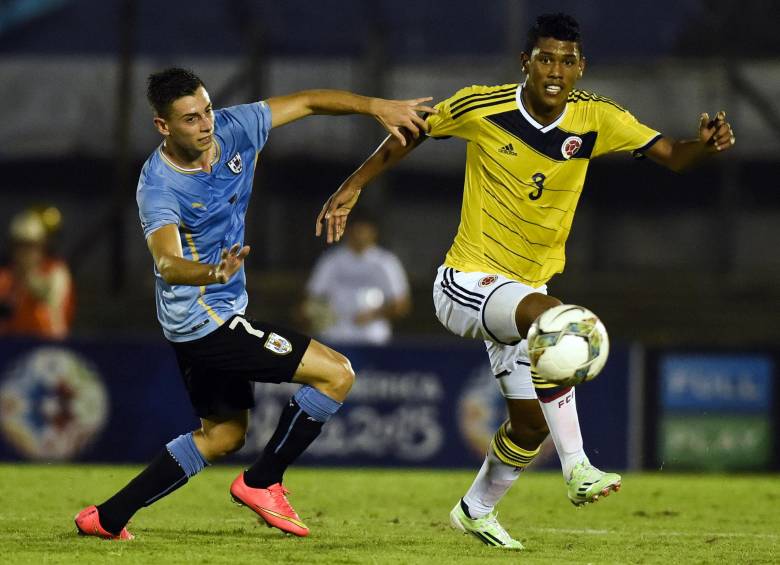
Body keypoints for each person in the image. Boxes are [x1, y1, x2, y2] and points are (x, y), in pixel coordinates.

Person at [316, 13, 735, 550]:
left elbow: (675, 157)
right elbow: (411, 134)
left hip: (519, 299)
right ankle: (579, 467)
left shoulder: (596, 118)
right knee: (552, 315)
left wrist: (704, 145)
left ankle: (476, 508)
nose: (555, 70)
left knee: (530, 428)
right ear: (526, 62)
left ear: (580, 67)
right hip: (465, 281)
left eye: (566, 60)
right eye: (545, 58)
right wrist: (353, 187)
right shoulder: (481, 106)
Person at [74, 67, 435, 540]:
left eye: (206, 111)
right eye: (190, 119)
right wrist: (213, 272)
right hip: (206, 321)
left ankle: (107, 517)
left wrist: (376, 106)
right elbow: (165, 263)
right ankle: (262, 481)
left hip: (211, 315)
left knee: (224, 435)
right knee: (336, 373)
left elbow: (307, 101)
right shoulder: (159, 185)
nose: (205, 125)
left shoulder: (233, 126)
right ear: (163, 126)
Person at [301, 213, 410, 345]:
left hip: (373, 339)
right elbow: (311, 299)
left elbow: (401, 305)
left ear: (374, 232)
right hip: (335, 339)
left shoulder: (386, 262)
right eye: (357, 230)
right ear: (347, 231)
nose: (360, 235)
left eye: (364, 230)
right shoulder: (331, 260)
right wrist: (314, 314)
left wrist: (373, 315)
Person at [0, 208, 74, 340]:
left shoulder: (55, 271)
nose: (25, 253)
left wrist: (26, 276)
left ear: (42, 247)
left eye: (31, 246)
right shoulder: (5, 276)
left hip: (49, 344)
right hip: (11, 348)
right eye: (19, 246)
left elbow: (46, 294)